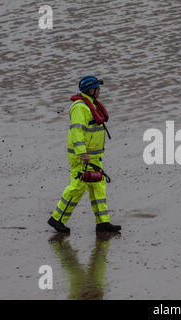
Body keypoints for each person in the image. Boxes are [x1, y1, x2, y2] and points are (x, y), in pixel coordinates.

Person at [48, 75, 121, 233]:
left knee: (98, 187)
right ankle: (57, 219)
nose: (100, 91)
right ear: (91, 90)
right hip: (83, 157)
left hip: (93, 156)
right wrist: (82, 153)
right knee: (77, 187)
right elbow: (77, 131)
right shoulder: (80, 107)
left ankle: (103, 223)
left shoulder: (90, 105)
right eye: (97, 88)